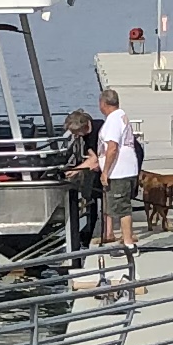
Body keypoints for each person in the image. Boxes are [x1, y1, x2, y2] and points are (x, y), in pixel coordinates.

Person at [100, 87, 146, 251]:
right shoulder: (121, 116)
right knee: (121, 207)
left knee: (122, 208)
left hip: (119, 172)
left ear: (103, 103)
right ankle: (127, 241)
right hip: (127, 169)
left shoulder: (113, 120)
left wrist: (105, 171)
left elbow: (112, 148)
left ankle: (128, 244)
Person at [60, 101, 104, 254]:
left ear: (83, 127)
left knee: (103, 193)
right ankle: (94, 224)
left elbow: (96, 159)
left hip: (112, 164)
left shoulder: (100, 130)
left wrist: (75, 170)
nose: (75, 136)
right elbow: (93, 157)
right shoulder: (85, 137)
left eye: (75, 132)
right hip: (100, 163)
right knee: (93, 193)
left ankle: (106, 231)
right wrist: (76, 170)